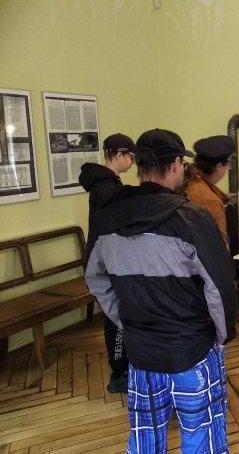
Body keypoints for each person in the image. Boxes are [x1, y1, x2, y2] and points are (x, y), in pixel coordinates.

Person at [84, 128, 237, 453]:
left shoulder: (108, 219)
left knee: (145, 437)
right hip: (192, 351)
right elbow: (220, 286)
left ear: (139, 167)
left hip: (142, 352)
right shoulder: (192, 219)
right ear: (178, 164)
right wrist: (222, 336)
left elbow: (95, 279)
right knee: (202, 436)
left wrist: (126, 320)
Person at [78, 132, 135, 393]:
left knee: (116, 314)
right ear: (119, 155)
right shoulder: (106, 188)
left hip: (104, 260)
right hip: (104, 263)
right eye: (131, 157)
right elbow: (109, 230)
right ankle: (119, 374)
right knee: (116, 317)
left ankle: (122, 367)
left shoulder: (107, 183)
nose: (132, 162)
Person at [178, 135, 236, 251]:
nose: (227, 169)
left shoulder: (187, 182)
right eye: (228, 165)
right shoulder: (210, 201)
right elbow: (218, 249)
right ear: (219, 166)